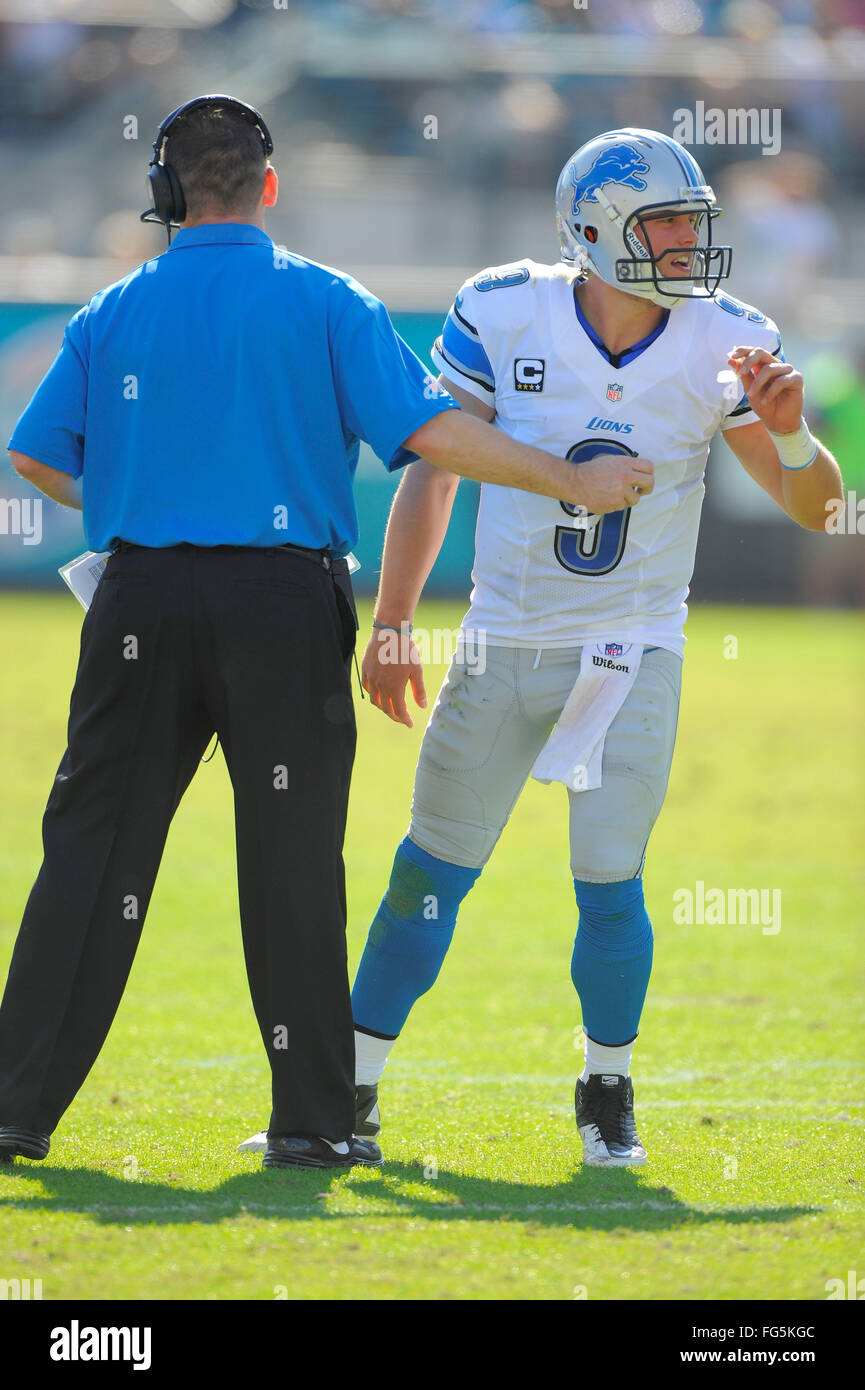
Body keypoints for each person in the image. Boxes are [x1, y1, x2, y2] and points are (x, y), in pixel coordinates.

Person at [0, 99, 644, 1174]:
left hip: (138, 603)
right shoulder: (327, 300)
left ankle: (16, 1110)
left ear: (166, 196)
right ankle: (310, 1121)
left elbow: (36, 454)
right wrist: (570, 477)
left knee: (88, 856)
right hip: (281, 606)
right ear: (270, 184)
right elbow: (432, 432)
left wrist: (134, 503)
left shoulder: (109, 311)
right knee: (292, 863)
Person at [234, 126, 844, 1167]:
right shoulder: (504, 307)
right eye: (662, 226)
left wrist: (789, 434)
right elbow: (433, 468)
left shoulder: (719, 338)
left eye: (690, 226)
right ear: (597, 228)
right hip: (505, 639)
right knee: (427, 876)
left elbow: (817, 509)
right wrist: (391, 621)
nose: (686, 248)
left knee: (609, 883)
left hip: (631, 650)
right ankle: (351, 1091)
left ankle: (606, 1085)